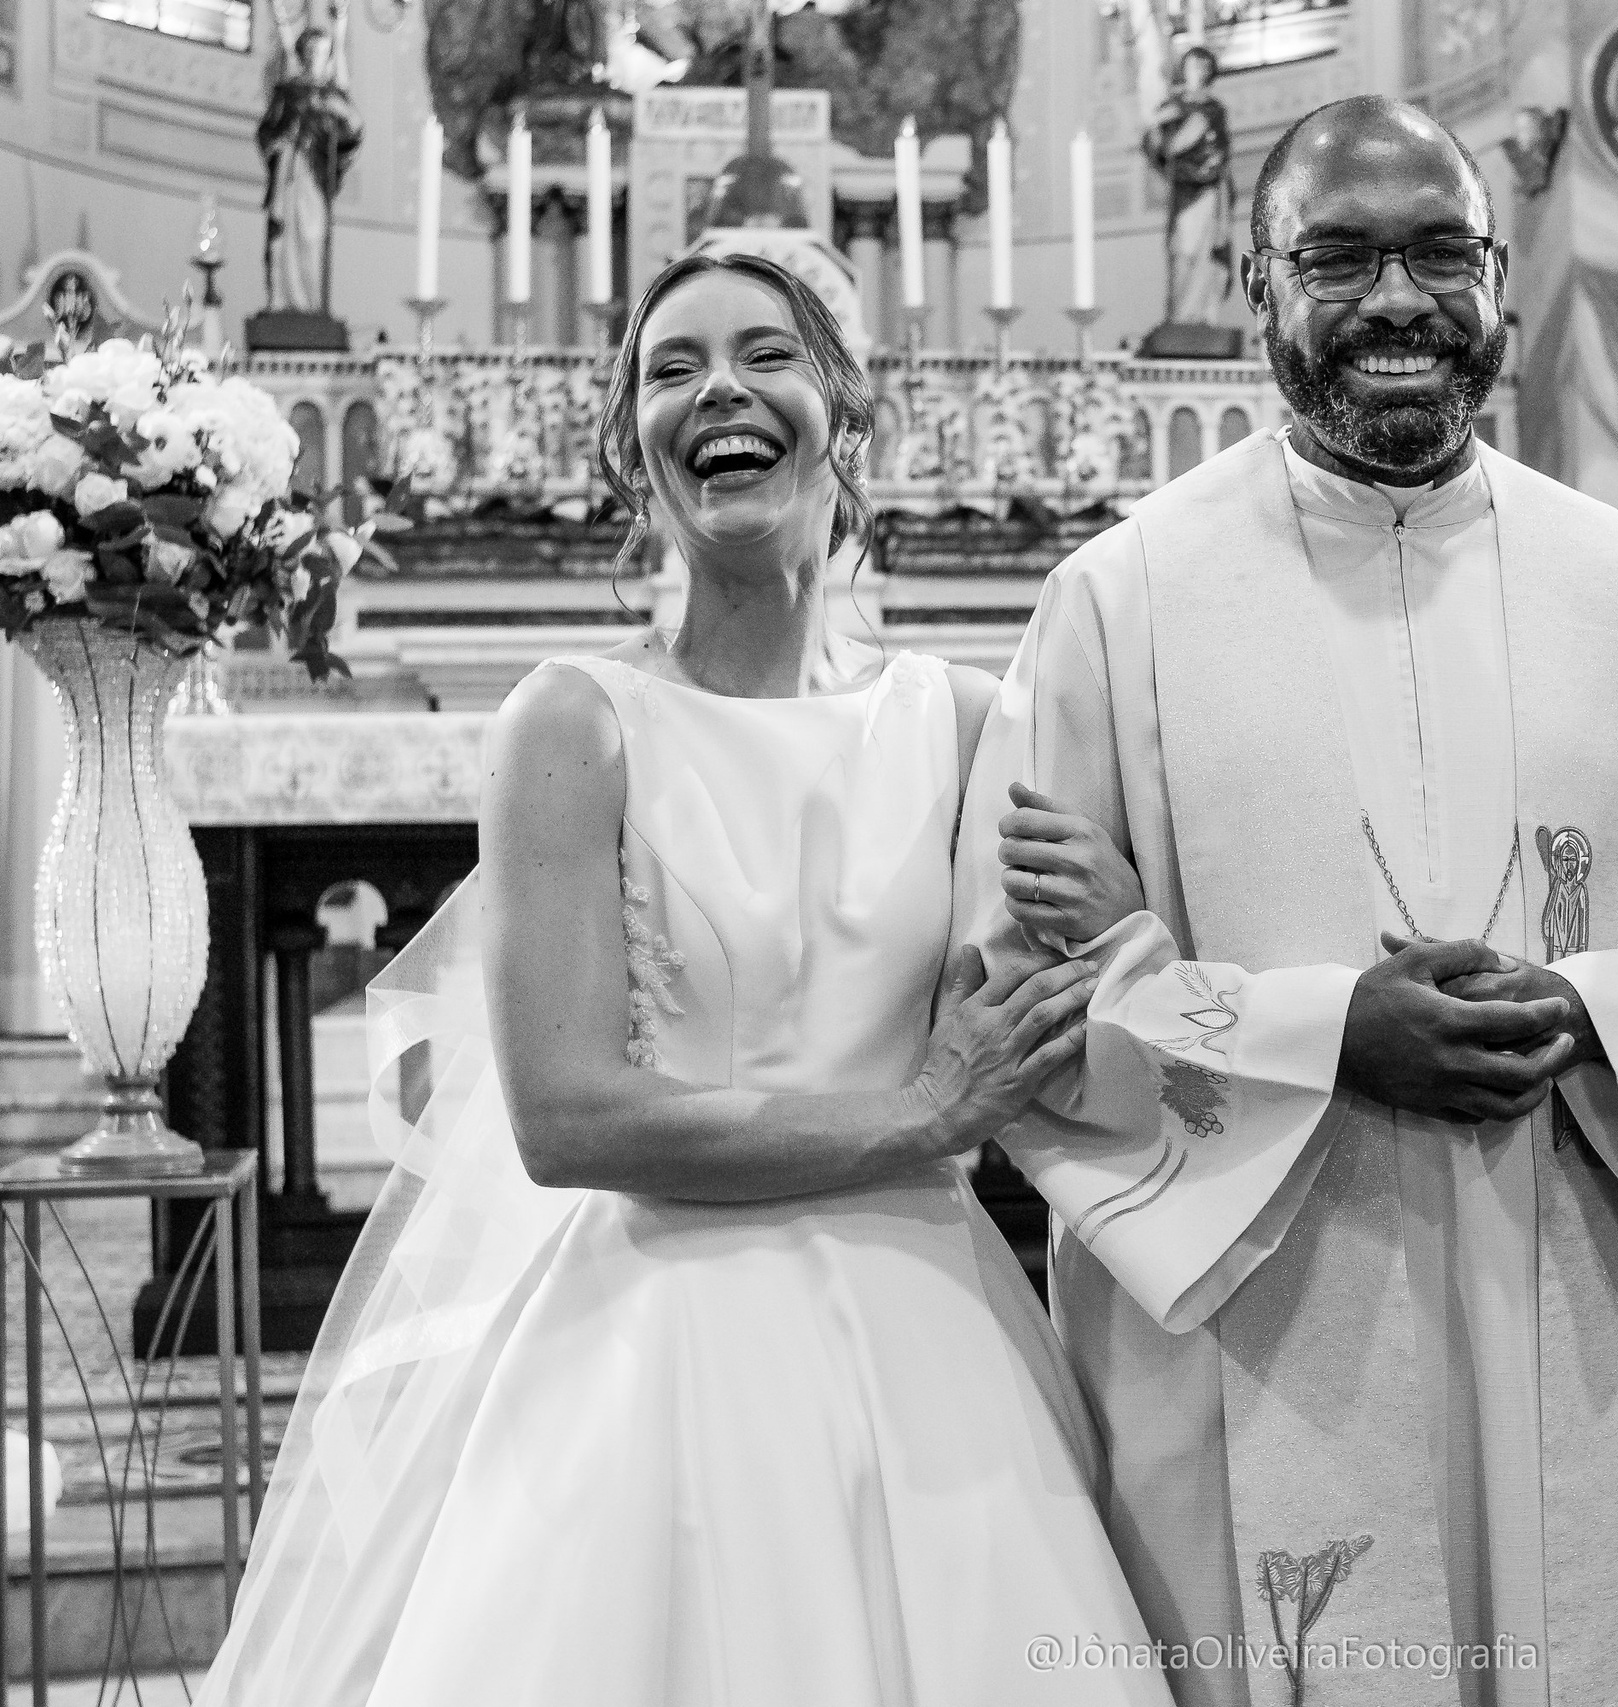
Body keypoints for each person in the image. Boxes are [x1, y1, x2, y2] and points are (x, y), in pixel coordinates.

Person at [958, 97, 1618, 1705]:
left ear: (1502, 274)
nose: (1396, 300)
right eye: (1337, 256)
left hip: (1565, 1284)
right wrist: (1334, 1033)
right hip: (1246, 1315)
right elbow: (1013, 996)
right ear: (1259, 286)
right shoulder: (1117, 601)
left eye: (1437, 253)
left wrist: (1597, 994)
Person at [199, 252, 1172, 1707]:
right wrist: (921, 1113)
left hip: (933, 1333)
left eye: (767, 351)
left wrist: (1129, 928)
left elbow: (1066, 1035)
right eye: (671, 366)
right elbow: (569, 1119)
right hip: (659, 1338)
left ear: (846, 409)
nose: (718, 386)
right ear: (632, 445)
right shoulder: (573, 723)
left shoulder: (969, 721)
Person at [256, 22, 361, 316]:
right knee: (283, 233)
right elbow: (267, 129)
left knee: (312, 235)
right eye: (313, 52)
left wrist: (342, 118)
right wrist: (279, 143)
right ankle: (280, 300)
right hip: (289, 173)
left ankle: (312, 304)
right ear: (303, 55)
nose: (318, 58)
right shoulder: (288, 91)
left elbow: (352, 134)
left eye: (324, 53)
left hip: (315, 175)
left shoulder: (333, 95)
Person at [1140, 45, 1235, 328]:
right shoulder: (1172, 107)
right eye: (1191, 66)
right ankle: (1179, 315)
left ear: (1209, 72)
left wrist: (1189, 146)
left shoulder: (1214, 110)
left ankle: (1201, 315)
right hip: (1183, 189)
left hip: (1208, 191)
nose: (1195, 72)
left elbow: (1220, 150)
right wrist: (1158, 133)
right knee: (1181, 248)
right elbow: (1154, 143)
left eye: (1201, 67)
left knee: (1205, 251)